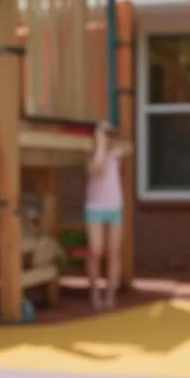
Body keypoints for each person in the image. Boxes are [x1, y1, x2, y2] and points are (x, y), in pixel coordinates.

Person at [85, 120, 124, 310]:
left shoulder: (116, 155)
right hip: (95, 208)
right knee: (96, 250)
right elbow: (97, 169)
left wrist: (111, 146)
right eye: (103, 133)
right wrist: (100, 145)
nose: (107, 137)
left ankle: (110, 295)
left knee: (114, 253)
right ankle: (95, 293)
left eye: (109, 133)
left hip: (114, 206)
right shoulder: (91, 155)